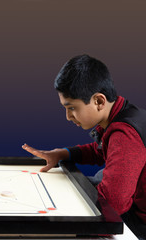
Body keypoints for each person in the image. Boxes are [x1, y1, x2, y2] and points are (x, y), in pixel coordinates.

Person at [22, 54, 146, 239]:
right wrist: (62, 154)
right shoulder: (123, 113)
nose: (68, 116)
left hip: (139, 220)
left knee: (82, 216)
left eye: (71, 107)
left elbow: (115, 203)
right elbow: (102, 150)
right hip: (132, 200)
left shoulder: (124, 135)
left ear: (99, 101)